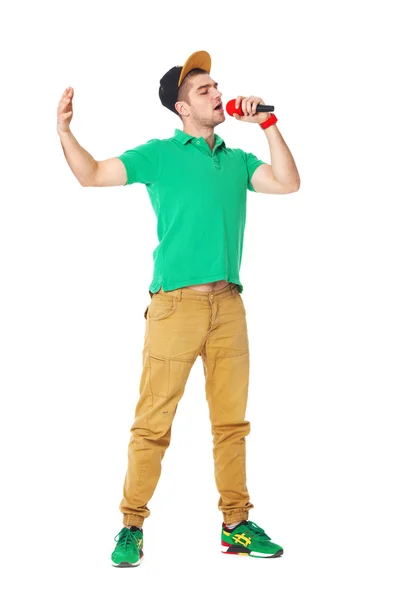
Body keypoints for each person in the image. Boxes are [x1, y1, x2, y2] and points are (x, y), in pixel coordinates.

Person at [57, 49, 300, 568]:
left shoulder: (236, 161)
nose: (217, 94)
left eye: (216, 86)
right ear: (182, 108)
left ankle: (235, 525)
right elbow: (93, 174)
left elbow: (287, 182)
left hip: (229, 306)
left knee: (231, 424)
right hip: (174, 308)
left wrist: (269, 126)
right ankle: (131, 525)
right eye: (204, 90)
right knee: (153, 424)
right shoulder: (159, 155)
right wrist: (64, 134)